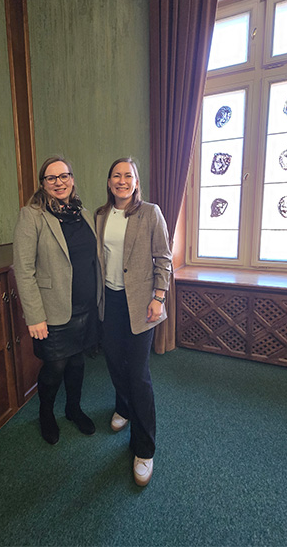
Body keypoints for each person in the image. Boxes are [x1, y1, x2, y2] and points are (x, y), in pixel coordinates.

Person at [95, 157, 172, 486]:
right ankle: (123, 407)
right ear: (109, 182)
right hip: (110, 301)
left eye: (128, 176)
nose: (122, 180)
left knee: (138, 374)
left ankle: (144, 448)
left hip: (141, 303)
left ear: (136, 183)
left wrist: (159, 297)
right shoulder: (100, 215)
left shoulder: (150, 213)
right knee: (114, 362)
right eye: (116, 175)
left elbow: (164, 258)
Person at [13, 156, 97, 445]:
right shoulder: (32, 215)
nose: (59, 182)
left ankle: (73, 409)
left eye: (64, 176)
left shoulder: (84, 214)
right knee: (55, 366)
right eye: (51, 178)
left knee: (77, 362)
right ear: (43, 183)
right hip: (53, 309)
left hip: (86, 306)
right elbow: (23, 269)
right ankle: (45, 414)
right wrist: (34, 316)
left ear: (72, 179)